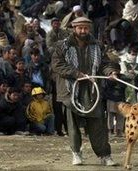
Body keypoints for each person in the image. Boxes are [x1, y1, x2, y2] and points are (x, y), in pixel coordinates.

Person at [51, 17, 118, 166]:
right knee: (73, 125)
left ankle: (104, 155)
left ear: (89, 29)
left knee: (97, 124)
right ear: (74, 28)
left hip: (91, 90)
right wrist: (76, 74)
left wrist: (111, 72)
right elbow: (57, 65)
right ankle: (76, 153)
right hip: (70, 90)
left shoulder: (97, 46)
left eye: (86, 28)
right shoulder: (62, 46)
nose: (83, 31)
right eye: (80, 28)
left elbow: (105, 64)